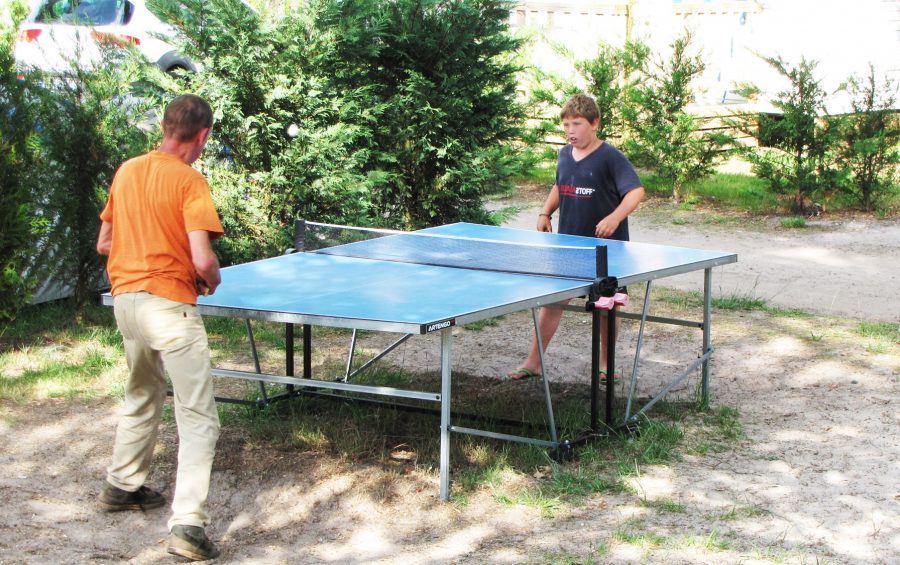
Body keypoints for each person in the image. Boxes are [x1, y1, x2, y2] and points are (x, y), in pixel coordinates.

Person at [95, 94, 224, 562]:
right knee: (197, 415)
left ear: (166, 126)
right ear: (202, 135)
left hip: (126, 303)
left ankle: (120, 485)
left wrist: (145, 250)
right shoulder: (190, 181)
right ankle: (188, 526)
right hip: (169, 307)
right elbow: (203, 259)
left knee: (141, 393)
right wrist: (210, 278)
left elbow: (105, 241)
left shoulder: (127, 170)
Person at [507, 93, 645, 383]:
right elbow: (561, 185)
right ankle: (534, 362)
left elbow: (636, 192)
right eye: (567, 124)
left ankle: (606, 364)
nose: (571, 130)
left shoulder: (610, 157)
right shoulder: (564, 155)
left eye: (577, 124)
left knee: (608, 307)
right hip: (568, 247)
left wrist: (614, 217)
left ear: (595, 123)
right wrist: (545, 213)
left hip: (606, 249)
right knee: (553, 303)